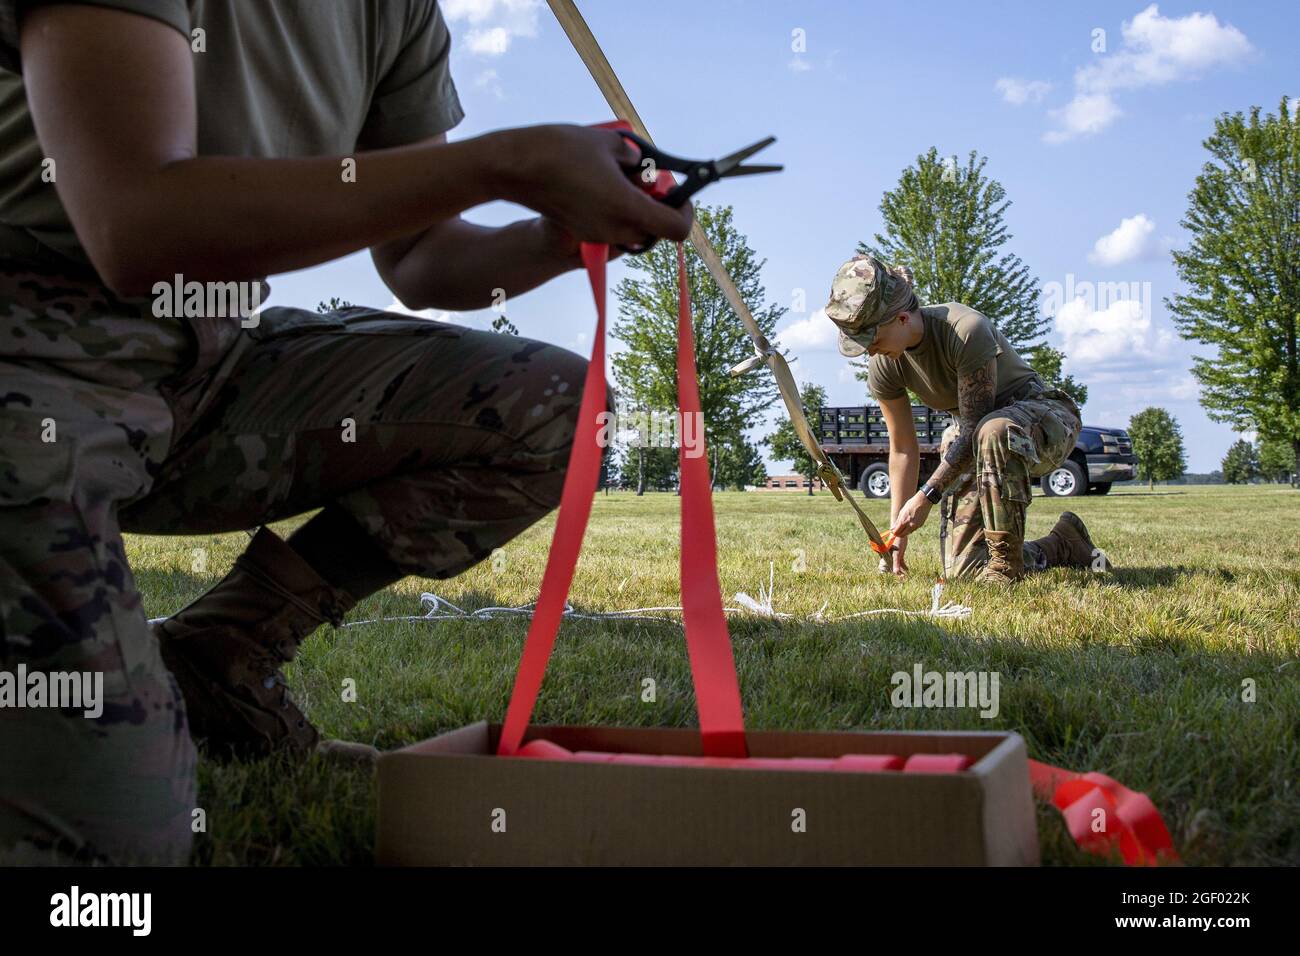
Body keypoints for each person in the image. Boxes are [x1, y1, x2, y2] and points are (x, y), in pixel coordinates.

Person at [0, 0, 692, 865]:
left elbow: (424, 258)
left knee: (557, 405)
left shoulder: (394, 11)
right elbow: (135, 221)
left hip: (208, 361)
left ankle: (220, 655)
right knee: (114, 855)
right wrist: (508, 161)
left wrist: (560, 232)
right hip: (29, 358)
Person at [823, 254, 1103, 583]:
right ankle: (1063, 544)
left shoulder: (965, 329)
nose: (870, 351)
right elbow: (902, 449)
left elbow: (975, 427)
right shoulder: (884, 365)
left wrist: (926, 496)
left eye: (873, 340)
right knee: (966, 570)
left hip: (1046, 422)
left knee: (991, 430)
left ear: (901, 319)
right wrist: (898, 534)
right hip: (977, 441)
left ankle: (1005, 570)